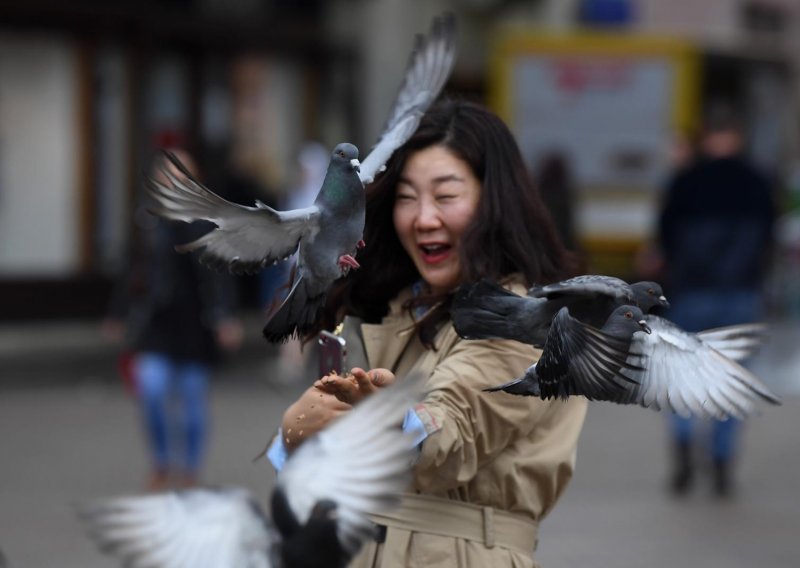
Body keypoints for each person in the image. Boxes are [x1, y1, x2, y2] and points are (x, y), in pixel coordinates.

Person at [267, 100, 588, 567]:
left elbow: (453, 429)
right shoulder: (395, 307)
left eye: (445, 195)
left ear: (493, 202)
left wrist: (396, 421)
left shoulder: (525, 320)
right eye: (406, 196)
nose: (423, 218)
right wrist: (297, 436)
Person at [104, 148, 243, 491]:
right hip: (155, 323)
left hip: (196, 326)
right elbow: (132, 270)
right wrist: (118, 313)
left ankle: (190, 470)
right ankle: (162, 462)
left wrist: (226, 316)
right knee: (151, 389)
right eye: (168, 173)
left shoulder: (209, 221)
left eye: (182, 172)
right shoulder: (147, 219)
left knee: (192, 402)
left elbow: (223, 274)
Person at [657, 105, 776, 498]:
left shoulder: (685, 181)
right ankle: (722, 462)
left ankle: (684, 451)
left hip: (691, 293)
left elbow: (665, 240)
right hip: (740, 294)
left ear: (707, 137)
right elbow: (767, 241)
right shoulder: (758, 181)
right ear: (738, 137)